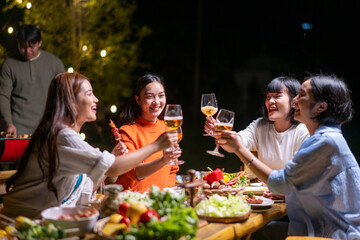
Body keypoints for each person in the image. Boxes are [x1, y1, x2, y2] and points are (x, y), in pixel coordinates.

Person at [1, 72, 180, 219]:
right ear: (71, 101)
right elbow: (115, 169)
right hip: (22, 220)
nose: (96, 99)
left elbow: (85, 187)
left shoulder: (66, 135)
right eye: (89, 93)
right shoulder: (61, 136)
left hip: (46, 217)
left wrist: (111, 160)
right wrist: (157, 146)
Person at [217, 74, 360, 239]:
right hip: (320, 227)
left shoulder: (325, 142)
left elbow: (280, 183)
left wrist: (240, 149)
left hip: (331, 234)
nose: (295, 101)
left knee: (252, 232)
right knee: (257, 230)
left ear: (320, 107)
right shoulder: (326, 138)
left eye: (301, 95)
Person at [205, 77, 309, 190]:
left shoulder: (302, 131)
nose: (270, 101)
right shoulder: (260, 126)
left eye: (277, 96)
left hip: (290, 194)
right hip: (264, 193)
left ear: (294, 101)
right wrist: (220, 133)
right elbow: (237, 144)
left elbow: (300, 177)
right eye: (268, 97)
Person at [112, 73, 180, 192]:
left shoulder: (167, 128)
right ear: (138, 99)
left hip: (158, 202)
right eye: (150, 97)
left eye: (161, 96)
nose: (157, 102)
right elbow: (134, 172)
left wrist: (168, 191)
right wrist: (164, 160)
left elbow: (173, 168)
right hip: (132, 201)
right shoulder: (127, 132)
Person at [0, 24, 65, 136]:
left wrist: (61, 121)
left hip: (48, 128)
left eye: (32, 46)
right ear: (17, 42)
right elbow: (3, 96)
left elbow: (64, 94)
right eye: (23, 46)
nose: (27, 51)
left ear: (40, 43)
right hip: (18, 128)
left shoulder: (55, 63)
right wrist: (8, 123)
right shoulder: (9, 65)